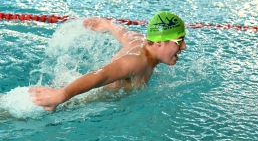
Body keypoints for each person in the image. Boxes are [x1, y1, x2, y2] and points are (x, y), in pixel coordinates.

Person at [29, 11, 187, 111]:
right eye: (179, 41)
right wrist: (61, 95)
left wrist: (107, 24)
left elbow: (124, 33)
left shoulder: (140, 40)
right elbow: (100, 75)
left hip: (72, 89)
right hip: (74, 101)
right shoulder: (137, 61)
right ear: (159, 42)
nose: (184, 46)